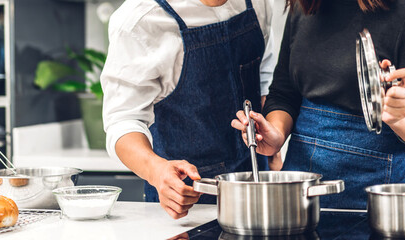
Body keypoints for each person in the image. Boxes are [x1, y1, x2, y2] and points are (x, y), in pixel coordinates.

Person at [232, 0, 405, 209]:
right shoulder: (303, 7)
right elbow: (284, 93)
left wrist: (401, 118)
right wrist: (276, 135)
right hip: (300, 201)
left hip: (379, 206)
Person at [101, 0, 279, 219]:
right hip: (184, 204)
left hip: (256, 190)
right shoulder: (141, 20)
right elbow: (122, 121)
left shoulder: (258, 3)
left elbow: (265, 77)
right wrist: (156, 171)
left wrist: (273, 149)